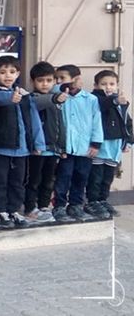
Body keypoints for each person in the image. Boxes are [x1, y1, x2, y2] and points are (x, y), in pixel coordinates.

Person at [0, 56, 45, 227]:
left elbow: (34, 120)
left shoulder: (24, 95)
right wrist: (11, 97)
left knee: (18, 182)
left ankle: (14, 210)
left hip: (21, 149)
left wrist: (38, 143)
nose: (7, 75)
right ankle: (1, 211)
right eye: (2, 72)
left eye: (12, 72)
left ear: (18, 73)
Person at [51, 65, 104, 222]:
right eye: (57, 78)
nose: (59, 81)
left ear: (76, 79)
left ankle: (75, 204)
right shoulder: (58, 96)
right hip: (65, 147)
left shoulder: (91, 99)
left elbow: (96, 121)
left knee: (81, 176)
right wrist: (61, 90)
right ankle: (59, 205)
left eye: (63, 78)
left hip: (84, 147)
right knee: (63, 176)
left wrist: (95, 144)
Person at [87, 70, 133, 218]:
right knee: (96, 176)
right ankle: (92, 201)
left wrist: (129, 140)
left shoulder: (120, 102)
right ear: (96, 85)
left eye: (112, 84)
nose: (108, 87)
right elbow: (103, 105)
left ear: (117, 85)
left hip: (115, 145)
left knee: (108, 176)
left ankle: (103, 200)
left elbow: (127, 122)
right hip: (100, 145)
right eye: (104, 84)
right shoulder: (94, 99)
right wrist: (115, 101)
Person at [26, 61, 66, 222]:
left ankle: (43, 205)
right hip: (37, 149)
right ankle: (30, 207)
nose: (44, 84)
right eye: (40, 80)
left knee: (48, 180)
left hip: (53, 149)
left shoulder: (57, 101)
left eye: (49, 80)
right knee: (33, 180)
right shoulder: (31, 98)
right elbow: (39, 102)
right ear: (33, 82)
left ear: (54, 81)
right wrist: (55, 98)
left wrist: (62, 147)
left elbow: (61, 126)